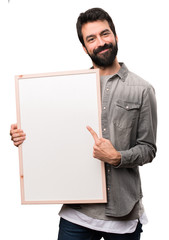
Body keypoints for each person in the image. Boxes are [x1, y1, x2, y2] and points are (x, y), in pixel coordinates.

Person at [10, 7, 157, 240]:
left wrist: (118, 157)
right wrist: (26, 139)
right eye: (92, 38)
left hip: (122, 213)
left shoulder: (142, 89)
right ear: (85, 47)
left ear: (116, 36)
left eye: (105, 34)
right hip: (77, 213)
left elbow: (148, 149)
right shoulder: (70, 88)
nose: (100, 42)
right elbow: (54, 135)